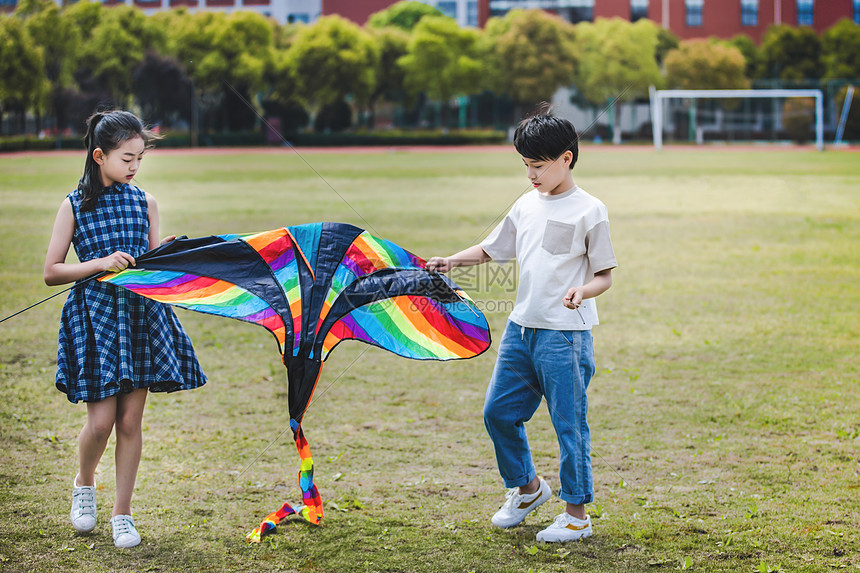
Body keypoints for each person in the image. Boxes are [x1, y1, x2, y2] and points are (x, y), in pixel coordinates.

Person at [427, 105, 616, 543]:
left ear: (566, 158)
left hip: (564, 336)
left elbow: (604, 275)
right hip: (521, 331)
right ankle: (529, 489)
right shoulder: (526, 204)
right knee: (498, 412)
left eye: (538, 165)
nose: (530, 174)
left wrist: (581, 292)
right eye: (526, 165)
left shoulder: (591, 210)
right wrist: (451, 262)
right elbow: (493, 250)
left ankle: (576, 515)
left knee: (569, 424)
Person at [44, 110, 207, 548]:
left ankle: (123, 514)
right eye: (126, 158)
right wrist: (99, 263)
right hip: (96, 318)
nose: (134, 167)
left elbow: (153, 263)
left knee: (131, 421)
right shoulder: (74, 204)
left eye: (139, 159)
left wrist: (168, 253)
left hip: (140, 316)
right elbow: (51, 271)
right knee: (100, 424)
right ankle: (83, 483)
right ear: (99, 156)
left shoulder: (145, 201)